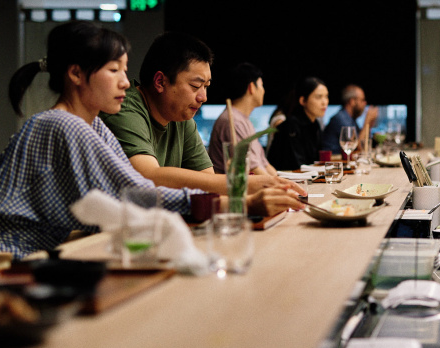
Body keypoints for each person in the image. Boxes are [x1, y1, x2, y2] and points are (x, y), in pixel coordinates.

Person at [0, 21, 197, 259]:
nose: (125, 81)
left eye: (124, 70)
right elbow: (134, 194)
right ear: (76, 74)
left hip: (19, 261)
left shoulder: (95, 126)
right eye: (114, 70)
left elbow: (134, 187)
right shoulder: (61, 125)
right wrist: (210, 200)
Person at [101, 32, 303, 215]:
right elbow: (148, 176)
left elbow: (209, 183)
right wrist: (247, 186)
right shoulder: (125, 108)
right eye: (195, 86)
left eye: (206, 86)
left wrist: (250, 199)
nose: (203, 96)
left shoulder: (180, 117)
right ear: (160, 82)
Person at [208, 62, 277, 176]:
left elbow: (264, 165)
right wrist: (279, 185)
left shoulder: (244, 120)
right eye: (261, 85)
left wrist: (284, 183)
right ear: (251, 88)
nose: (264, 91)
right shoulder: (232, 121)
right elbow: (253, 169)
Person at [267, 77, 329, 171]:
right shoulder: (291, 125)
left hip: (307, 178)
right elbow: (297, 166)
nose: (324, 102)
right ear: (303, 101)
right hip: (286, 180)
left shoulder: (315, 123)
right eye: (318, 97)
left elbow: (316, 160)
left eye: (326, 96)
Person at [320, 84, 378, 154]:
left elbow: (364, 145)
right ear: (352, 101)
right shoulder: (341, 118)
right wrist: (367, 122)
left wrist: (369, 126)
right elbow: (358, 147)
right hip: (332, 161)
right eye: (362, 100)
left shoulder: (352, 119)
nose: (365, 103)